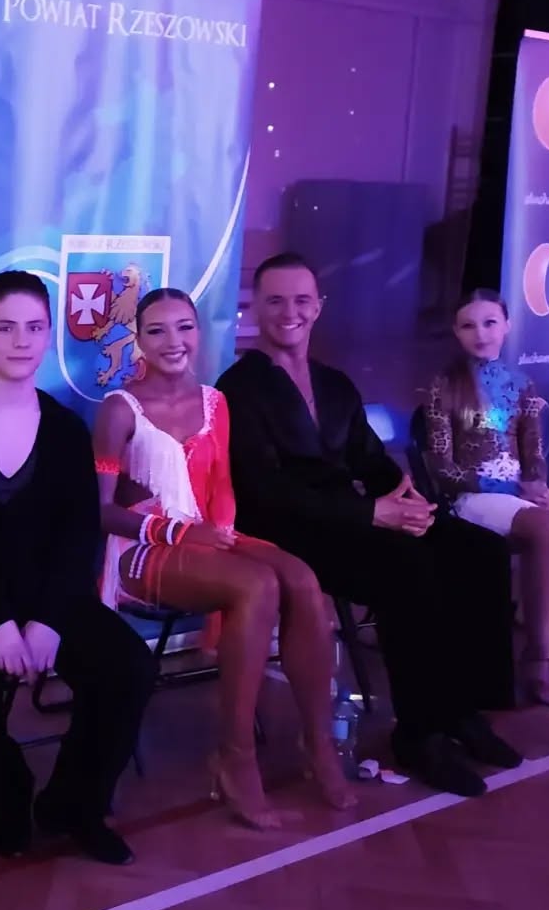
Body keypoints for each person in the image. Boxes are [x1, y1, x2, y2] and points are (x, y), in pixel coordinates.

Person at [217, 253, 519, 799]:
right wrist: (372, 513)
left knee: (477, 549)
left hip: (353, 520)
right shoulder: (238, 387)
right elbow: (265, 491)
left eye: (301, 300)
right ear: (256, 308)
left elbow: (369, 459)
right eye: (276, 300)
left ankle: (463, 710)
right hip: (286, 531)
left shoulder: (333, 383)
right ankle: (419, 734)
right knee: (408, 565)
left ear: (318, 306)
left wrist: (408, 499)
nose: (290, 312)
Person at [96, 287, 356, 829]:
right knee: (257, 585)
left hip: (206, 535)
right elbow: (100, 512)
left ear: (199, 332)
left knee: (302, 579)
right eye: (157, 330)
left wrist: (221, 537)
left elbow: (221, 490)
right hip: (141, 550)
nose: (173, 341)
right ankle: (236, 757)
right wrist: (174, 531)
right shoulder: (120, 410)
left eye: (184, 327)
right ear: (138, 340)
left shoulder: (216, 402)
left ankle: (317, 742)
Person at [0, 271, 151, 864]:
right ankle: (9, 793)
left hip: (53, 598)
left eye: (33, 327)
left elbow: (78, 537)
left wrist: (48, 621)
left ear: (49, 334)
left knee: (127, 668)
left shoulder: (67, 431)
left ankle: (74, 803)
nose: (21, 340)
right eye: (5, 327)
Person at [425, 289, 549, 706]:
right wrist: (507, 488)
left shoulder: (522, 384)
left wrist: (537, 485)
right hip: (472, 497)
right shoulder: (444, 386)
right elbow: (442, 469)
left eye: (490, 323)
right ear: (456, 332)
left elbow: (533, 452)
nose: (481, 334)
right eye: (468, 325)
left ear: (507, 326)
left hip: (521, 493)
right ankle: (538, 657)